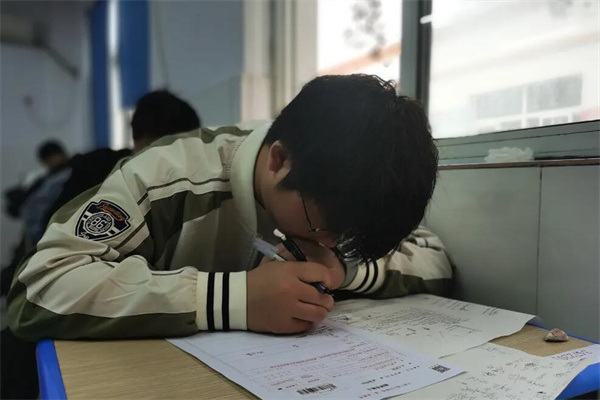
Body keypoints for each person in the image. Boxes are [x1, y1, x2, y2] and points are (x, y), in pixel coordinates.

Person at [8, 74, 451, 340]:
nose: (332, 242)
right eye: (324, 226)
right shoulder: (167, 174)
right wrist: (233, 299)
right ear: (279, 160)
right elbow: (40, 286)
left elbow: (436, 259)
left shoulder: (346, 188)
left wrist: (347, 268)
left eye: (349, 238)